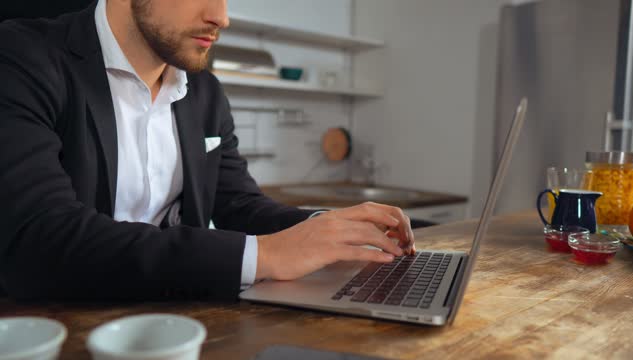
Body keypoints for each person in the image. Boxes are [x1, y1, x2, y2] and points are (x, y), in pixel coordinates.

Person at [0, 0, 415, 301]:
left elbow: (239, 204)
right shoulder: (22, 57)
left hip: (176, 319)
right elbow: (41, 238)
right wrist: (264, 255)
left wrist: (332, 230)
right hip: (58, 322)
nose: (222, 16)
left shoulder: (204, 92)